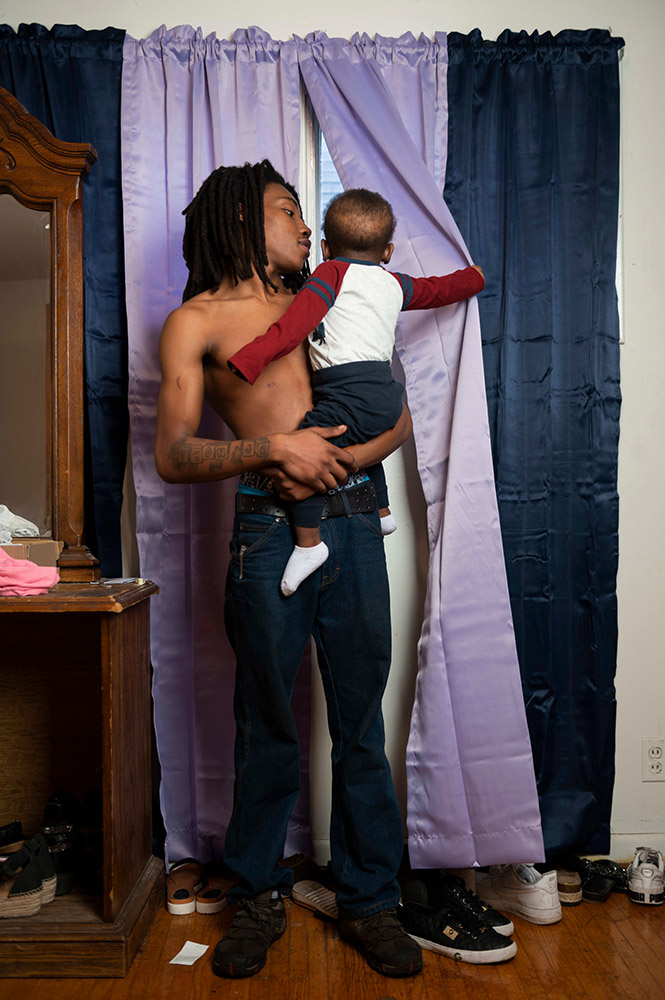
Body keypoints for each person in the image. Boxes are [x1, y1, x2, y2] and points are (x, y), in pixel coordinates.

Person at [154, 159, 421, 980]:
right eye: (286, 210)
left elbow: (396, 414)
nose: (306, 226)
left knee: (357, 726)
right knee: (265, 721)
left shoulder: (333, 296)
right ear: (240, 220)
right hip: (267, 534)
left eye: (305, 213)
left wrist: (338, 463)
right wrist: (276, 447)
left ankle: (370, 899)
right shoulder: (193, 322)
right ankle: (262, 893)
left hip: (351, 522)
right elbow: (170, 452)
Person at [227, 188, 484, 596]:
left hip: (345, 388)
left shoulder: (330, 274)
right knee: (358, 434)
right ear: (388, 251)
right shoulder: (393, 282)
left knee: (310, 441)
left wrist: (251, 360)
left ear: (326, 247)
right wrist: (473, 279)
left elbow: (293, 327)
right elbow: (438, 290)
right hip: (385, 393)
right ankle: (381, 510)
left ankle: (309, 545)